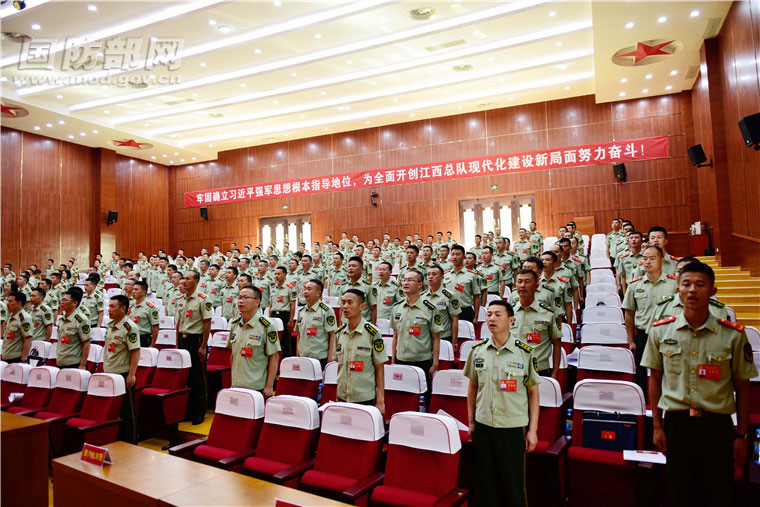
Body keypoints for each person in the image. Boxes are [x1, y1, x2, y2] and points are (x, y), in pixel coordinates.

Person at [641, 262, 757, 507]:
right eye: (686, 284)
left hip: (717, 427)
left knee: (718, 495)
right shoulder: (660, 332)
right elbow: (655, 380)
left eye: (700, 285)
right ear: (678, 290)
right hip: (677, 426)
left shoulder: (733, 335)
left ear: (712, 291)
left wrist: (741, 434)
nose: (692, 290)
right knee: (680, 494)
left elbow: (743, 387)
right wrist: (657, 426)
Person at [464, 300, 540, 507]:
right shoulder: (477, 350)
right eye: (488, 314)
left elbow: (533, 392)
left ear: (511, 320)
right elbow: (472, 387)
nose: (491, 319)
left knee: (513, 484)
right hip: (483, 425)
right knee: (486, 483)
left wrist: (532, 430)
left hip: (512, 427)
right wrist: (471, 422)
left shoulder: (524, 352)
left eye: (498, 314)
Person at [622, 245, 677, 391]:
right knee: (642, 373)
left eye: (652, 258)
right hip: (643, 336)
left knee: (669, 372)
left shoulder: (674, 284)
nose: (647, 262)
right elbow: (629, 313)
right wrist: (630, 340)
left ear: (662, 261)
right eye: (645, 258)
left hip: (669, 336)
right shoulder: (634, 285)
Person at [391, 270, 443, 407]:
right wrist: (393, 360)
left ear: (420, 284)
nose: (405, 283)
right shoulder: (397, 308)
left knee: (422, 401)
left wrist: (435, 363)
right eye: (404, 280)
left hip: (422, 362)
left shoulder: (430, 308)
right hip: (401, 360)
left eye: (410, 280)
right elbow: (395, 336)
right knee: (402, 398)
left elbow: (436, 338)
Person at [334, 289, 387, 413]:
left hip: (364, 398)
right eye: (343, 302)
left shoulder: (372, 333)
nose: (345, 306)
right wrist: (337, 393)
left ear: (362, 306)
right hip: (343, 396)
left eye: (350, 303)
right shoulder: (340, 332)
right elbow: (340, 366)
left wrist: (380, 400)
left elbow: (380, 368)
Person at [226, 286, 280, 396]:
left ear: (257, 302)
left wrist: (269, 386)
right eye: (239, 297)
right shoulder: (235, 324)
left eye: (246, 298)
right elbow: (233, 354)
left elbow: (274, 357)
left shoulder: (267, 326)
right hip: (236, 385)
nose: (241, 301)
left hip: (256, 388)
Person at [175, 270, 212, 425]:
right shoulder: (181, 299)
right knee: (186, 377)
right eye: (183, 278)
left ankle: (199, 412)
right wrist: (177, 344)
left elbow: (207, 323)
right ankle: (189, 411)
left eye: (188, 279)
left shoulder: (203, 299)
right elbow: (178, 322)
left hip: (196, 340)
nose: (184, 281)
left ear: (196, 281)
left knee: (198, 377)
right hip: (183, 340)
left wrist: (203, 346)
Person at [102, 295, 140, 444]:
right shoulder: (111, 325)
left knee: (128, 412)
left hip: (123, 374)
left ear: (123, 309)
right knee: (113, 411)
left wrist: (131, 374)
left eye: (112, 307)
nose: (109, 309)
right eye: (109, 306)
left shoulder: (130, 327)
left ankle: (131, 442)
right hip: (110, 373)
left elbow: (135, 351)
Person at [511, 269, 562, 378]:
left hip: (539, 371)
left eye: (527, 282)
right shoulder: (508, 313)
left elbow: (557, 345)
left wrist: (555, 373)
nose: (522, 285)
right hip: (514, 369)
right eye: (519, 282)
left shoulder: (548, 313)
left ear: (536, 286)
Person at [296, 279, 338, 369]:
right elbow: (299, 335)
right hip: (303, 358)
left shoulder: (326, 311)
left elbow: (333, 335)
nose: (305, 292)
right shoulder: (301, 311)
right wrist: (298, 356)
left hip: (320, 359)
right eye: (305, 289)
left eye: (309, 289)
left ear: (318, 293)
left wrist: (330, 359)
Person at [424, 265, 461, 348]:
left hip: (443, 337)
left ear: (442, 277)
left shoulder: (449, 295)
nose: (430, 277)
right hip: (426, 338)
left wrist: (454, 342)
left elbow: (455, 319)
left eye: (434, 274)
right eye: (428, 274)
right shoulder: (422, 296)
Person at [55, 288, 92, 369]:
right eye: (62, 299)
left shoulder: (81, 319)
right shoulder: (62, 319)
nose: (62, 302)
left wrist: (83, 364)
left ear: (74, 303)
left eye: (65, 300)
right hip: (60, 361)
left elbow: (86, 343)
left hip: (74, 363)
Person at [443, 245, 480, 323]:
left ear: (464, 256)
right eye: (453, 254)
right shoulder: (446, 275)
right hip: (448, 311)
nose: (455, 257)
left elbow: (476, 296)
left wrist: (476, 317)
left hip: (465, 311)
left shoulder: (472, 275)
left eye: (458, 254)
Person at [339, 256, 377, 324]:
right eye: (349, 266)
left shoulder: (368, 287)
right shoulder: (343, 286)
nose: (350, 268)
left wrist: (372, 327)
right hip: (346, 325)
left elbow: (373, 309)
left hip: (362, 325)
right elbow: (341, 309)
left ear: (361, 269)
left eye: (354, 266)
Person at [269, 266, 297, 356]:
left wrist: (291, 320)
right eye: (275, 274)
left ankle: (287, 358)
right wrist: (269, 318)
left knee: (285, 340)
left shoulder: (290, 288)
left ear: (285, 275)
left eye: (279, 274)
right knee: (273, 339)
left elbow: (293, 305)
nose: (277, 276)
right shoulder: (273, 288)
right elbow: (271, 305)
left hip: (284, 316)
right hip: (274, 315)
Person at [1, 291, 33, 363]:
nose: (7, 303)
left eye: (10, 301)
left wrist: (24, 359)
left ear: (19, 303)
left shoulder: (24, 318)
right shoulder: (11, 316)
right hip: (6, 357)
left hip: (16, 359)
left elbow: (28, 339)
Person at [129, 281, 159, 348]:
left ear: (144, 292)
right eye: (133, 289)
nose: (133, 291)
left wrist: (152, 345)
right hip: (130, 337)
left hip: (143, 338)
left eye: (136, 289)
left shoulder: (150, 307)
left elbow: (156, 327)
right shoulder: (131, 306)